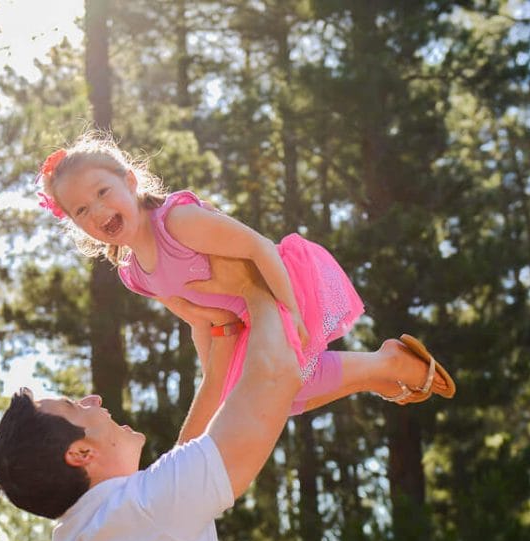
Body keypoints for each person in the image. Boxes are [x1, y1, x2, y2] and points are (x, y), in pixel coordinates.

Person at [0, 256, 303, 541]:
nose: (93, 401)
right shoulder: (146, 512)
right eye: (75, 407)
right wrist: (254, 286)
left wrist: (224, 337)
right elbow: (277, 376)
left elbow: (183, 469)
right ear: (80, 454)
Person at [35, 132, 455, 435]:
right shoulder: (136, 274)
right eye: (82, 211)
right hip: (246, 317)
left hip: (278, 283)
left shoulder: (177, 223)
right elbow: (202, 322)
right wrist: (213, 379)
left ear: (130, 181)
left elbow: (258, 248)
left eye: (104, 192)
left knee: (288, 379)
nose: (97, 211)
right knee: (279, 399)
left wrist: (291, 314)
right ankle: (381, 368)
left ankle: (386, 365)